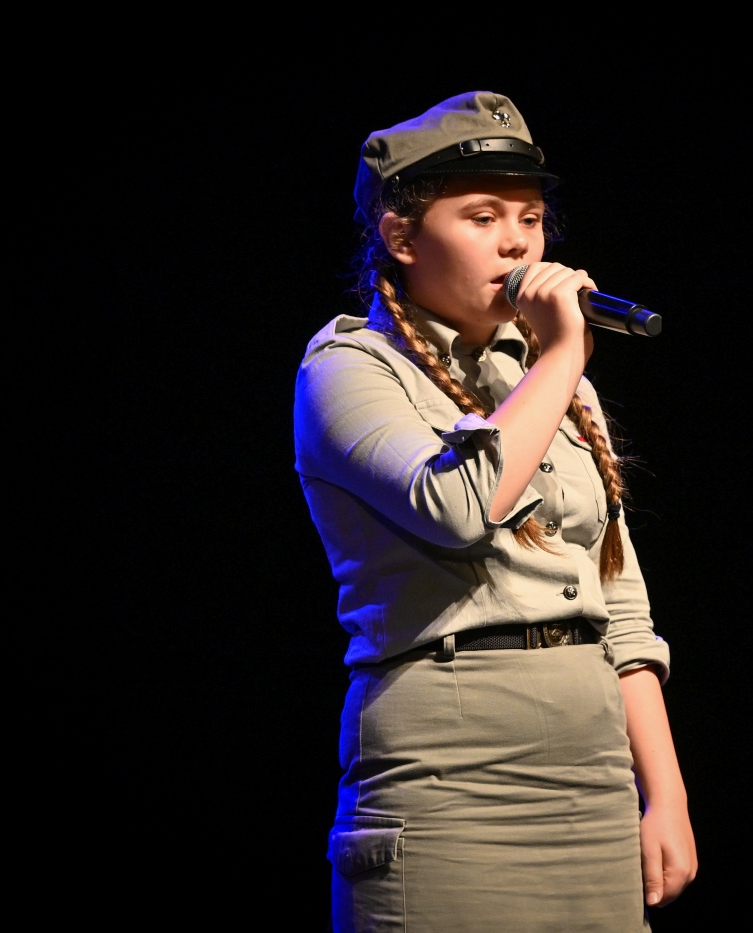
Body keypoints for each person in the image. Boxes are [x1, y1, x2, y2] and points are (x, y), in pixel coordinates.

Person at [293, 90, 697, 932]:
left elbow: (619, 601)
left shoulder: (553, 379)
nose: (518, 242)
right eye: (483, 217)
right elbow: (458, 507)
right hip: (448, 776)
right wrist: (563, 354)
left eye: (531, 218)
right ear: (402, 237)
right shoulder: (348, 368)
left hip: (592, 773)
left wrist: (665, 793)